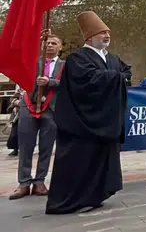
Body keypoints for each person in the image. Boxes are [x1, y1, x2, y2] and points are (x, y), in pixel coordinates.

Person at [46, 11, 131, 215]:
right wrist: (116, 77)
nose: (107, 35)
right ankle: (71, 201)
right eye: (102, 32)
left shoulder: (112, 58)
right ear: (90, 37)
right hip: (83, 122)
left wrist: (116, 76)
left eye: (108, 32)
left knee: (101, 160)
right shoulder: (78, 58)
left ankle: (95, 195)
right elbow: (90, 81)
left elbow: (126, 72)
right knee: (80, 161)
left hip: (105, 120)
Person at [9, 33, 64, 200]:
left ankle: (40, 181)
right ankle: (24, 183)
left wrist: (50, 82)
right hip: (29, 106)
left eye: (54, 43)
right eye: (47, 43)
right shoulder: (33, 62)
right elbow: (21, 73)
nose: (50, 46)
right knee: (25, 147)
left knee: (46, 148)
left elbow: (69, 83)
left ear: (60, 47)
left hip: (51, 109)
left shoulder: (65, 65)